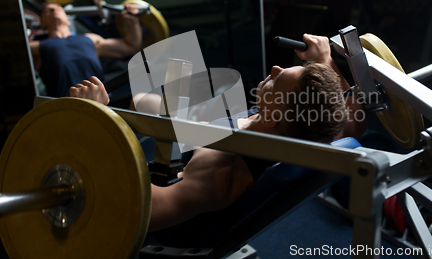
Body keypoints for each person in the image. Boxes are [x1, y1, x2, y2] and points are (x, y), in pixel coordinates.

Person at [69, 33, 366, 232]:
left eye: (278, 82)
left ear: (275, 118)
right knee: (143, 99)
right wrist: (323, 61)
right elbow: (352, 122)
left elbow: (142, 213)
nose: (274, 69)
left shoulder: (222, 172)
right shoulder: (296, 125)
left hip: (145, 196)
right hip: (205, 130)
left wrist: (92, 123)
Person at [29, 1, 142, 97]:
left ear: (68, 19)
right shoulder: (36, 47)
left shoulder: (90, 39)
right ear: (42, 23)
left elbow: (131, 46)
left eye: (58, 8)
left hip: (103, 105)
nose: (54, 10)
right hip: (66, 109)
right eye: (48, 10)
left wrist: (134, 21)